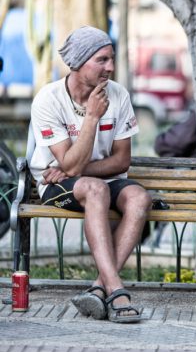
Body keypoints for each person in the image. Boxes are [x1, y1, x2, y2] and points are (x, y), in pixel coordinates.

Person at [29, 26, 151, 323]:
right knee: (95, 189)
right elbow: (68, 167)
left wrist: (74, 167)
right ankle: (117, 290)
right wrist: (93, 117)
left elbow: (121, 160)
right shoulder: (48, 100)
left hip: (97, 179)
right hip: (55, 188)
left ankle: (98, 288)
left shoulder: (118, 95)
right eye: (101, 60)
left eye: (111, 59)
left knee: (139, 196)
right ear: (78, 63)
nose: (110, 67)